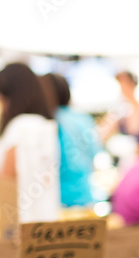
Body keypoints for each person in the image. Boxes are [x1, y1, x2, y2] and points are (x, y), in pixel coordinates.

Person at [41, 73, 99, 207]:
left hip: (61, 200)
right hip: (85, 196)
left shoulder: (50, 121)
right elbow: (94, 154)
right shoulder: (84, 119)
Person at [100, 71, 139, 148]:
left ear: (133, 84)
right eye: (121, 84)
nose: (123, 88)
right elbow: (103, 135)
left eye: (125, 84)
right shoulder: (119, 112)